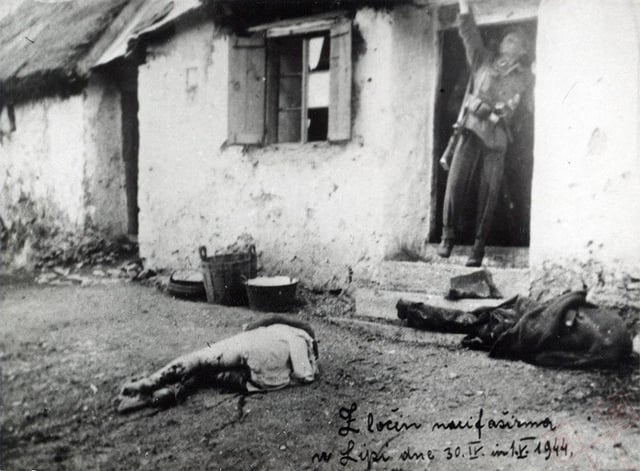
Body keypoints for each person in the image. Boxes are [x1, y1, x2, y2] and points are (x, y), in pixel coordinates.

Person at [438, 0, 534, 267]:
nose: (507, 42)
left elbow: (528, 110)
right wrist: (464, 6)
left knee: (489, 193)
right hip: (471, 129)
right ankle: (447, 237)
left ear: (523, 50)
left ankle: (478, 249)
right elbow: (469, 33)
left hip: (498, 137)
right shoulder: (482, 59)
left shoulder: (526, 77)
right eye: (506, 38)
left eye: (515, 40)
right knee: (456, 181)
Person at [116, 316, 319, 413]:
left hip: (247, 346)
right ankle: (165, 394)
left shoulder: (283, 329)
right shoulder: (300, 338)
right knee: (207, 377)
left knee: (199, 360)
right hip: (254, 377)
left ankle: (151, 382)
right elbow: (304, 375)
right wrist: (310, 370)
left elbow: (254, 326)